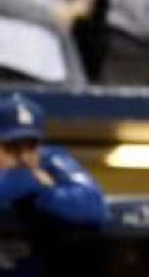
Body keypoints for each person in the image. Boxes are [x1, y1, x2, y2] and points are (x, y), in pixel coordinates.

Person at [0, 94, 108, 275]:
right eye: (12, 147)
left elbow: (94, 207)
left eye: (31, 147)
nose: (24, 157)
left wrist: (45, 196)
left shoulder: (50, 160)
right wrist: (27, 181)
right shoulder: (34, 176)